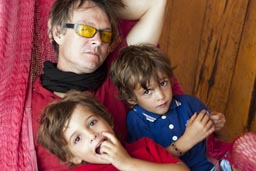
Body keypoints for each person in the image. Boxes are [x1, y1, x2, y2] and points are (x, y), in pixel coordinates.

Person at [32, 0, 186, 170]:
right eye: (86, 29)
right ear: (57, 32)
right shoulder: (29, 109)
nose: (97, 41)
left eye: (105, 34)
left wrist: (103, 6)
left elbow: (155, 3)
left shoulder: (120, 73)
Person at [109, 43, 229, 171]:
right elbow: (148, 163)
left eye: (163, 83)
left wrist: (216, 122)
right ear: (131, 98)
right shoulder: (136, 121)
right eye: (147, 92)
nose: (161, 96)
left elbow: (214, 137)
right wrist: (187, 140)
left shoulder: (189, 103)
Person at [37, 90, 190, 171]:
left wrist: (129, 164)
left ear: (108, 120)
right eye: (77, 138)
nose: (92, 135)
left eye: (92, 123)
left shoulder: (145, 147)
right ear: (72, 157)